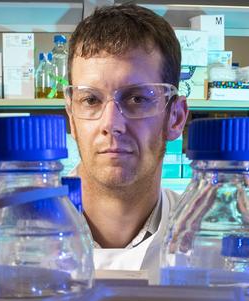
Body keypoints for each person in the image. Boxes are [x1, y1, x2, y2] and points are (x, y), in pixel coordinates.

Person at [64, 3, 189, 278]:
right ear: (72, 117)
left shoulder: (203, 241)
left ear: (176, 117)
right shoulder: (17, 239)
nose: (111, 124)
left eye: (137, 99)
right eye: (90, 100)